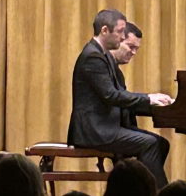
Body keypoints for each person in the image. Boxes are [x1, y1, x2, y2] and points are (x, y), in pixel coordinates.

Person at [67, 10, 172, 189]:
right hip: (94, 130)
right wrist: (148, 99)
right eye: (120, 32)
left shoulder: (104, 55)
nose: (122, 37)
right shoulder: (93, 57)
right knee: (150, 144)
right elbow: (111, 96)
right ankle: (157, 193)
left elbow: (120, 97)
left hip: (105, 127)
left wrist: (157, 104)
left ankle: (141, 191)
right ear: (105, 30)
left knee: (160, 144)